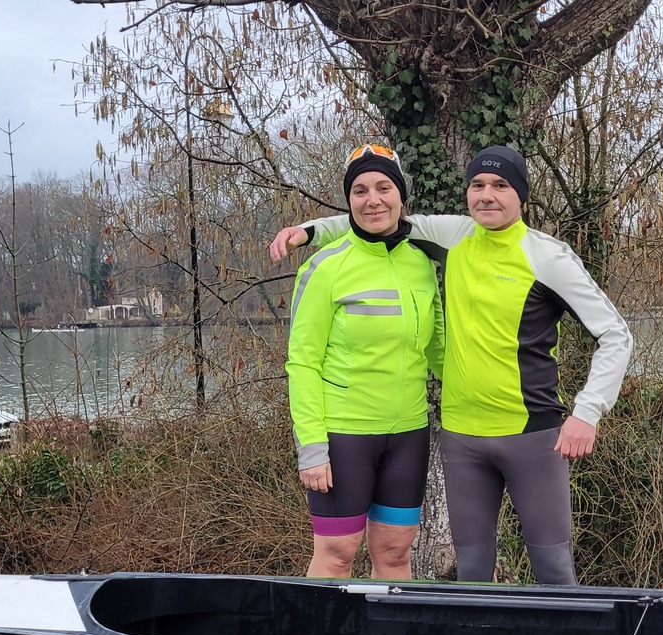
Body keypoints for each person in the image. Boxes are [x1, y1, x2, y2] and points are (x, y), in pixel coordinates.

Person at [270, 145, 633, 585]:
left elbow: (616, 335)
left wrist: (587, 412)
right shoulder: (453, 235)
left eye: (501, 185)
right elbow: (374, 218)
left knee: (553, 572)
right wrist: (308, 232)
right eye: (477, 184)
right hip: (460, 440)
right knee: (471, 576)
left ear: (522, 195)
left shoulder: (546, 257)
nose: (487, 194)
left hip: (530, 434)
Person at [285, 143, 444, 580]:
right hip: (344, 435)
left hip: (408, 434)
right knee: (337, 554)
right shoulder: (325, 267)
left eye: (383, 188)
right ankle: (321, 629)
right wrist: (311, 447)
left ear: (401, 196)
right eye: (360, 191)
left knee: (394, 554)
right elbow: (302, 363)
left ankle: (387, 630)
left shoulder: (421, 263)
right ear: (349, 200)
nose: (372, 200)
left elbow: (437, 349)